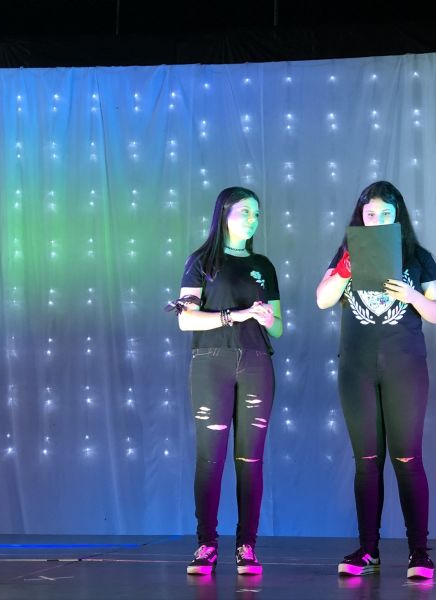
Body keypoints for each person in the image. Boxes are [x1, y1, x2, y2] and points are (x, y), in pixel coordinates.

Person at [315, 181, 436, 579]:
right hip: (356, 368)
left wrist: (413, 296)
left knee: (407, 458)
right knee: (367, 461)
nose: (377, 220)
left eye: (385, 214)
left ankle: (419, 552)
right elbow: (322, 299)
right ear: (361, 216)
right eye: (370, 214)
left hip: (405, 368)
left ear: (397, 217)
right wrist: (345, 269)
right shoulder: (346, 254)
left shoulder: (418, 257)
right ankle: (368, 550)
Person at [176, 186, 282, 576]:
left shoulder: (264, 266)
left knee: (250, 460)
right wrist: (233, 316)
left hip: (256, 363)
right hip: (210, 363)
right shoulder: (201, 261)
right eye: (244, 212)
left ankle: (246, 546)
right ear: (223, 213)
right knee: (210, 457)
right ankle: (206, 544)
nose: (252, 220)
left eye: (257, 213)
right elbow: (185, 319)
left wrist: (268, 319)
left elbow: (279, 326)